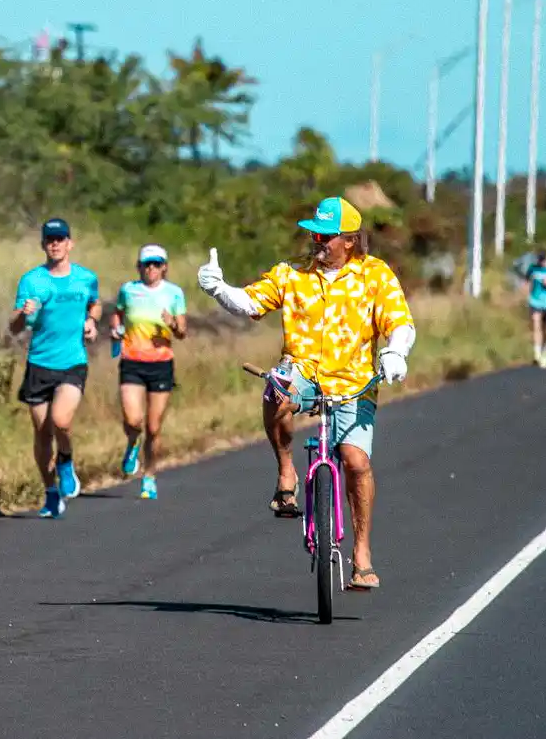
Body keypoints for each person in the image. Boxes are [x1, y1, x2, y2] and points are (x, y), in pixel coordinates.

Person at [197, 196, 414, 590]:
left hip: (354, 381)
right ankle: (286, 472)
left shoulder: (375, 276)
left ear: (349, 240)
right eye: (314, 232)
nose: (317, 240)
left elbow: (400, 321)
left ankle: (361, 554)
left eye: (326, 236)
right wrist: (219, 289)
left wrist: (396, 352)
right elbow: (251, 303)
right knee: (276, 391)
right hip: (304, 372)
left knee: (355, 461)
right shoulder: (292, 273)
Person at [9, 217, 101, 518]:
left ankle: (66, 461)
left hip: (73, 362)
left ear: (70, 243)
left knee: (61, 422)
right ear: (43, 244)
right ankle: (50, 490)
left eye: (60, 238)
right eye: (50, 239)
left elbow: (95, 303)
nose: (55, 244)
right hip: (39, 363)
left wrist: (91, 321)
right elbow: (14, 327)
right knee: (42, 432)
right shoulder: (32, 280)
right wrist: (23, 314)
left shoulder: (86, 278)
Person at [111, 244, 188, 500]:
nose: (151, 269)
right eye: (147, 264)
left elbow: (182, 332)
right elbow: (117, 314)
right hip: (132, 360)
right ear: (139, 267)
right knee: (133, 420)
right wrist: (115, 329)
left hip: (161, 363)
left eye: (156, 264)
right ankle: (132, 443)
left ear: (164, 267)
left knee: (154, 428)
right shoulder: (128, 290)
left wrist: (172, 323)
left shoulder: (174, 293)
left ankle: (149, 475)